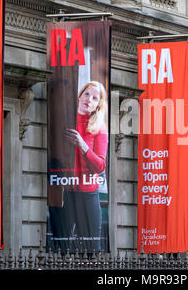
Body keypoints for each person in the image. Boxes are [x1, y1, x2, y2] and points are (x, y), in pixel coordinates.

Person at [49, 81, 108, 254]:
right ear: (79, 96)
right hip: (63, 191)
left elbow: (100, 166)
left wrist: (82, 145)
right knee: (60, 250)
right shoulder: (64, 122)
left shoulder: (99, 128)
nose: (89, 99)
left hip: (88, 195)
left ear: (98, 105)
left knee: (91, 250)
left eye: (95, 98)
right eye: (87, 94)